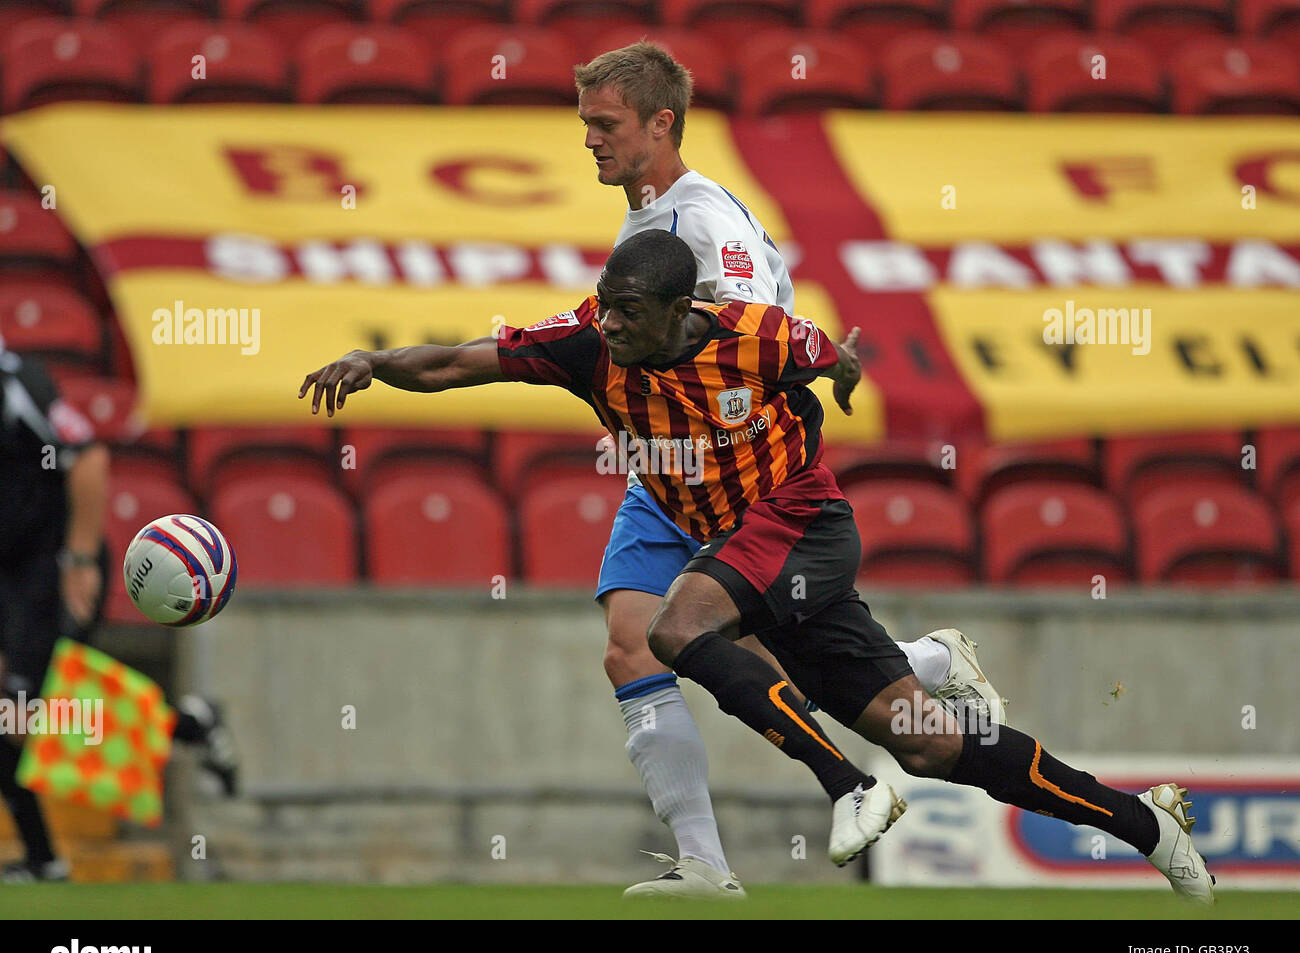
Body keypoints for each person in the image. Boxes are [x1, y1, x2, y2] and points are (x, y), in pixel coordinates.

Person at [298, 230, 1216, 905]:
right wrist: (373, 362)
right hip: (752, 560)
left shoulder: (757, 337)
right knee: (933, 743)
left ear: (677, 308)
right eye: (605, 302)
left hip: (804, 525)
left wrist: (847, 373)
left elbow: (830, 356)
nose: (608, 321)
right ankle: (1147, 824)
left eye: (627, 310)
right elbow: (463, 360)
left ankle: (848, 785)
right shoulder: (585, 345)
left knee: (674, 628)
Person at [571, 41, 1004, 897]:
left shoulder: (705, 221)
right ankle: (705, 864)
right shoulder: (647, 212)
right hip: (663, 462)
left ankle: (923, 665)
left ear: (662, 123)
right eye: (584, 121)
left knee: (753, 647)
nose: (588, 138)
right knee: (633, 650)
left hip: (736, 464)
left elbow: (753, 342)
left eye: (605, 123)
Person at [0, 336, 237, 882]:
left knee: (17, 714)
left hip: (53, 567)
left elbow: (89, 456)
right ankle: (191, 727)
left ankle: (43, 861)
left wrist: (79, 558)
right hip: (9, 574)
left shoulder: (19, 384)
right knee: (27, 710)